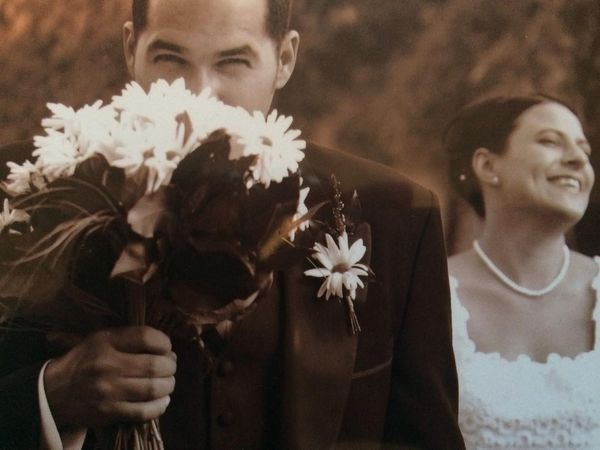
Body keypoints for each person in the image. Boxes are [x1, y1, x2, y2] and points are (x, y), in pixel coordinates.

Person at [0, 0, 465, 448]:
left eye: (233, 62)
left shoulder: (394, 216)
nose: (200, 94)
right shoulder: (30, 186)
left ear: (284, 58)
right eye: (170, 57)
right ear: (130, 50)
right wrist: (53, 395)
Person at [445, 95, 600, 448]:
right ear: (487, 166)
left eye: (584, 150)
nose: (578, 159)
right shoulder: (433, 293)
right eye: (550, 141)